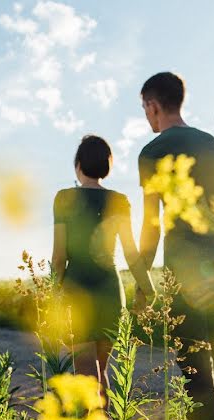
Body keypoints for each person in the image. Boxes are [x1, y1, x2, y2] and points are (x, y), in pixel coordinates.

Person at [136, 72, 214, 420]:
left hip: (183, 271)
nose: (147, 116)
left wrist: (143, 280)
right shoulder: (212, 144)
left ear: (153, 106)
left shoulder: (151, 151)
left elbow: (152, 224)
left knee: (195, 362)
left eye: (145, 109)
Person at [51, 135, 155, 386]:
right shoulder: (118, 201)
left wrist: (52, 295)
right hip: (110, 291)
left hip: (78, 290)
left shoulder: (64, 198)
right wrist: (148, 289)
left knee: (86, 372)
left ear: (78, 165)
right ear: (106, 166)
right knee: (101, 371)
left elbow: (59, 257)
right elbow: (130, 253)